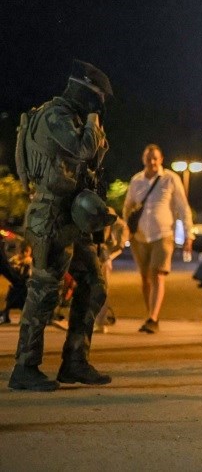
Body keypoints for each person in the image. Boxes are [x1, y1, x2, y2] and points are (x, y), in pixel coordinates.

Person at [9, 60, 116, 391]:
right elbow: (82, 149)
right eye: (97, 98)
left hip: (71, 216)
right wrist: (95, 121)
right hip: (51, 214)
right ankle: (25, 368)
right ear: (84, 91)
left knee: (94, 282)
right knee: (44, 290)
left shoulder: (74, 118)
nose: (99, 105)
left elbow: (97, 156)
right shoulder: (54, 116)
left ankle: (74, 362)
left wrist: (93, 127)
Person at [123, 144, 193, 334]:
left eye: (155, 158)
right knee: (145, 278)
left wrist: (188, 233)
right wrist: (125, 229)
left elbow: (183, 207)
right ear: (143, 159)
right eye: (149, 158)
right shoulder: (136, 180)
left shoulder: (171, 179)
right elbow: (128, 206)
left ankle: (153, 317)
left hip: (163, 235)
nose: (152, 162)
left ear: (161, 159)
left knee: (157, 274)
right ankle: (151, 315)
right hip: (139, 236)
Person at [94, 212, 127, 332]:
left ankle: (99, 321)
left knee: (102, 286)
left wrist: (108, 257)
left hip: (104, 254)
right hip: (98, 252)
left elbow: (119, 245)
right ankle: (96, 320)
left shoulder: (118, 225)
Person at [1, 239, 33, 324]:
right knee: (10, 301)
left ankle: (24, 318)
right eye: (23, 251)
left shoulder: (30, 261)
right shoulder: (15, 259)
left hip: (24, 284)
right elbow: (8, 266)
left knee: (24, 302)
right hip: (16, 284)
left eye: (27, 251)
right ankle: (5, 316)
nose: (25, 253)